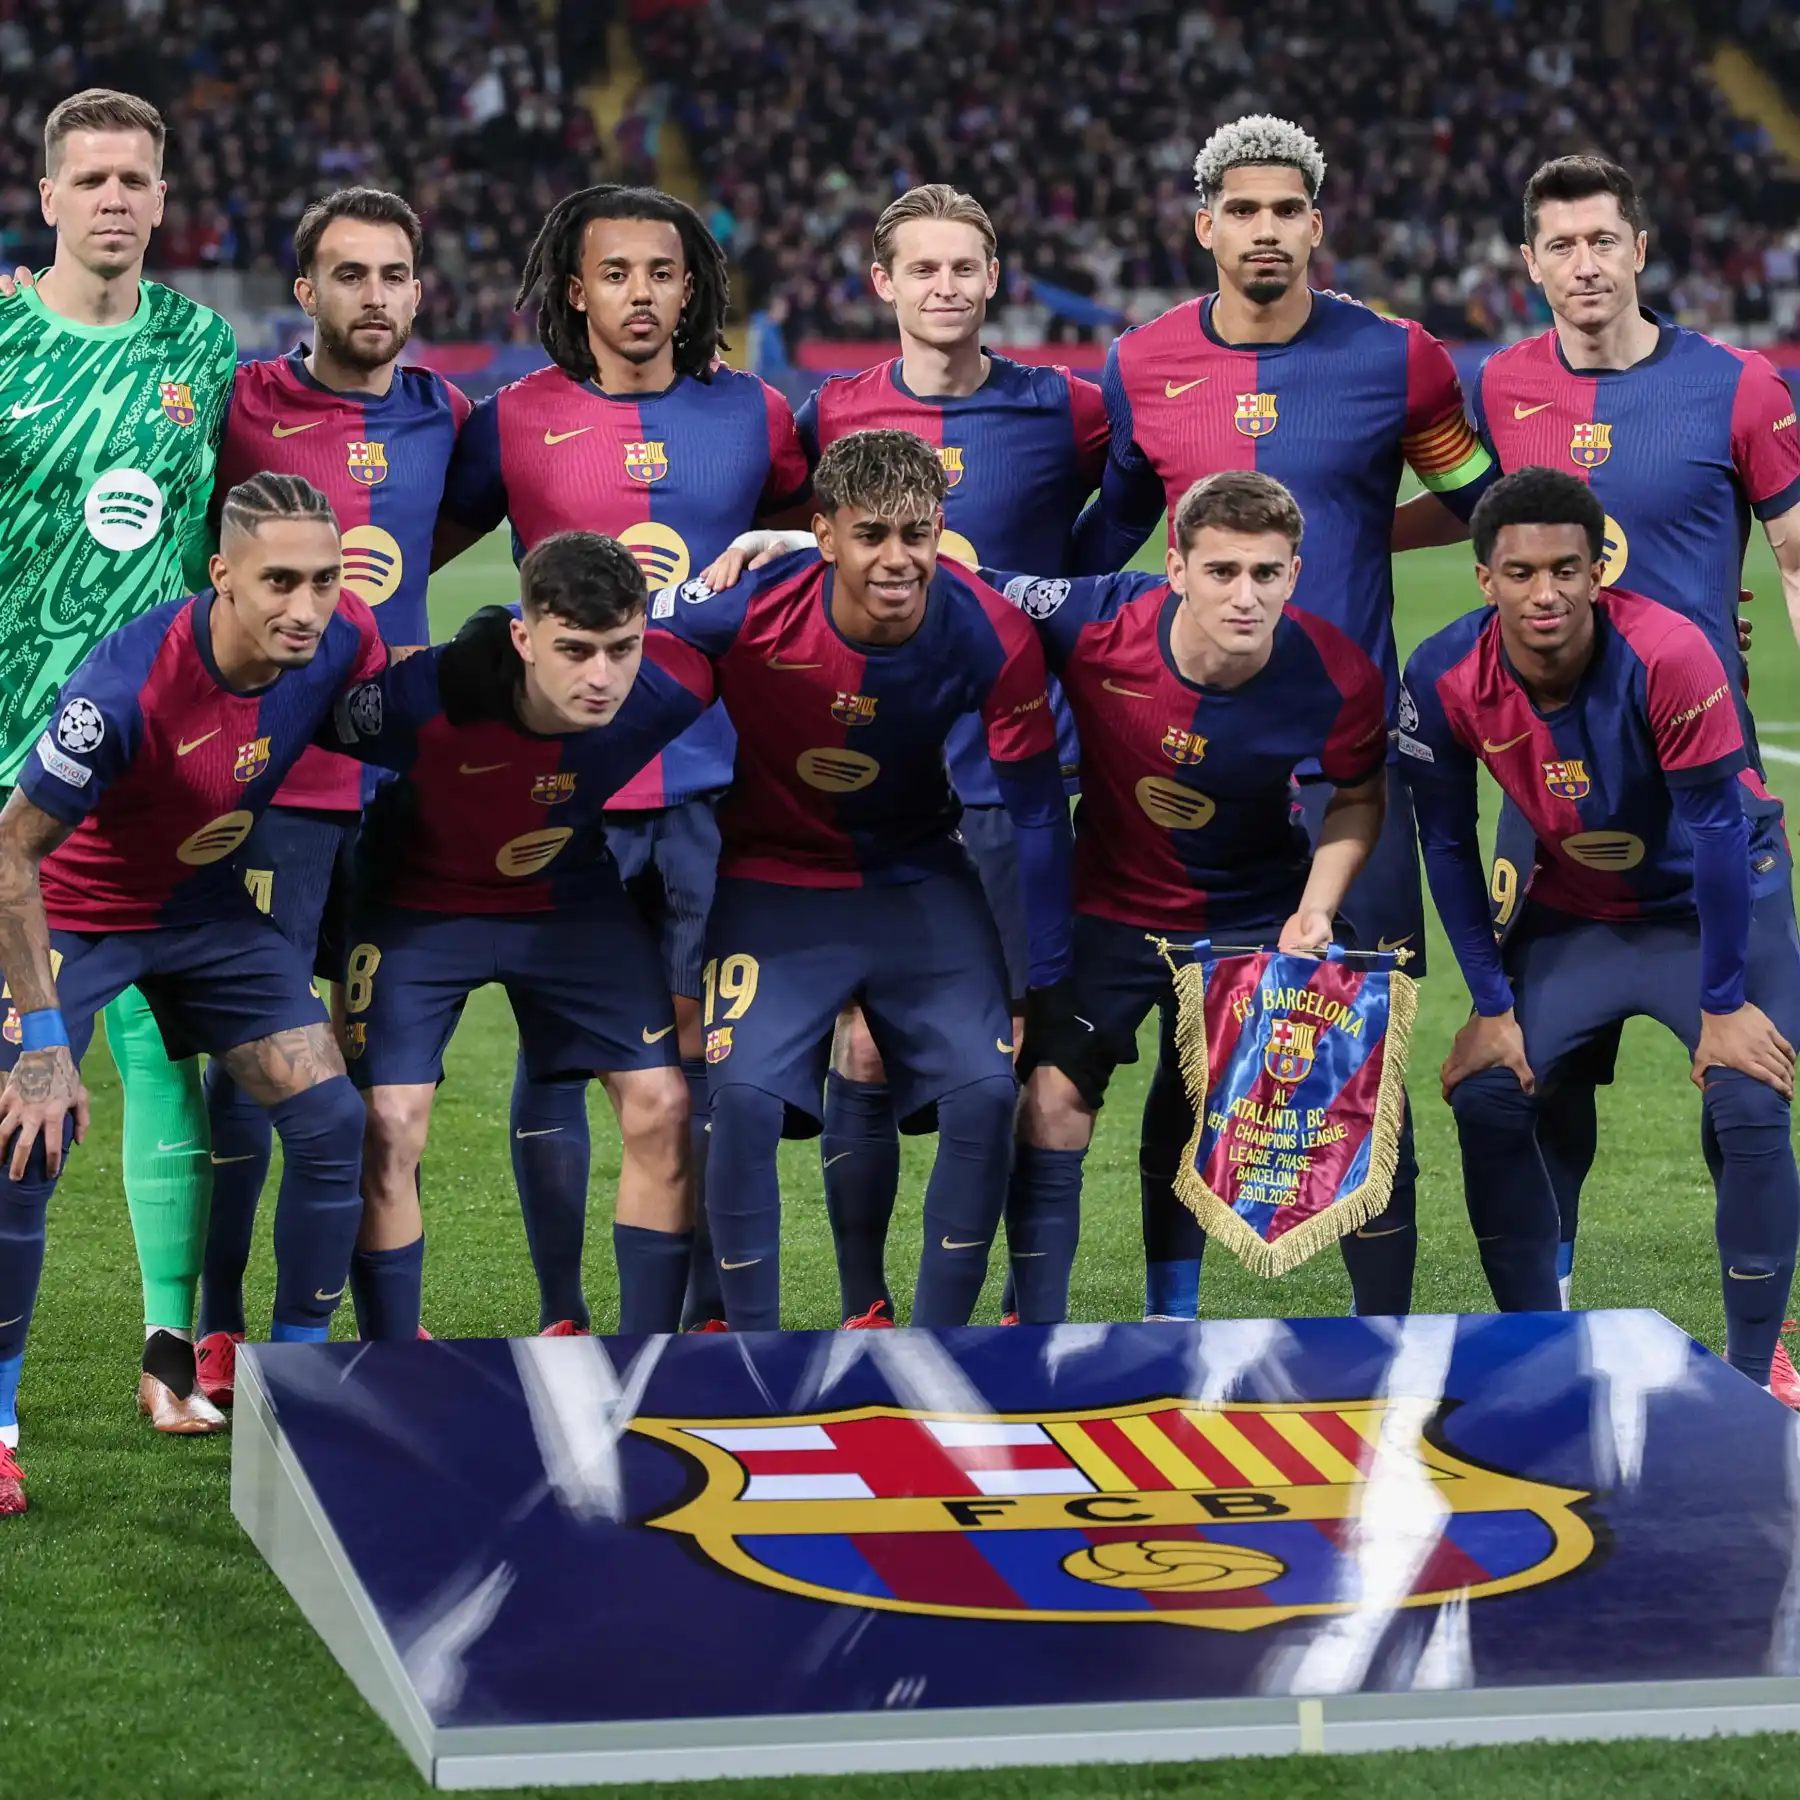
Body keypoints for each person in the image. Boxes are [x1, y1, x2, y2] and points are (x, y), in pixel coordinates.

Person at [1067, 113, 1500, 1317]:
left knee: (1363, 1051)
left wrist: (1365, 528)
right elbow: (1110, 534)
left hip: (1348, 766)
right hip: (1192, 764)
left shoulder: (1399, 359)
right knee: (1187, 1048)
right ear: (1204, 226)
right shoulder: (1141, 362)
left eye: (1287, 210)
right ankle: (1172, 1318)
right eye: (1243, 211)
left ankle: (1384, 1334)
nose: (1266, 229)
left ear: (1318, 225)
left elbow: (1486, 502)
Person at [724, 181, 1105, 1328]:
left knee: (1013, 1060)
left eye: (964, 267)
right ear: (883, 282)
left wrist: (1044, 596)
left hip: (1011, 780)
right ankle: (867, 1307)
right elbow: (802, 545)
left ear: (995, 278)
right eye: (922, 268)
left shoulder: (1068, 410)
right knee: (864, 1044)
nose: (945, 287)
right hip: (876, 784)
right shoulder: (829, 413)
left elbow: (1127, 519)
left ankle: (1008, 1311)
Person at [436, 184, 810, 1335]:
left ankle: (702, 1309)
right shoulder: (511, 418)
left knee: (703, 1044)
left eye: (660, 272)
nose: (639, 294)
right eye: (615, 273)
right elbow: (410, 546)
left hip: (714, 784)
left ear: (691, 288)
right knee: (555, 1049)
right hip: (563, 790)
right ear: (574, 289)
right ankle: (562, 1312)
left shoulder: (757, 414)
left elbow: (814, 544)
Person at [0, 474, 386, 1515]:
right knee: (22, 1142)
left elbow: (386, 714)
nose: (306, 606)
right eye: (279, 582)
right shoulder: (125, 690)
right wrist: (44, 1045)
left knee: (330, 1121)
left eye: (324, 579)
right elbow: (10, 853)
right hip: (78, 915)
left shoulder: (344, 636)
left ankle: (296, 1389)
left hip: (205, 912)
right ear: (222, 576)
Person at [654, 427, 1076, 1331]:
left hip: (919, 879)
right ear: (825, 535)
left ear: (940, 532)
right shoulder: (744, 606)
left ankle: (937, 1349)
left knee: (985, 1095)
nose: (896, 559)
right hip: (771, 883)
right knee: (740, 1104)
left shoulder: (991, 630)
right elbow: (612, 622)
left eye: (916, 535)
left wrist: (1042, 973)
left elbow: (1038, 812)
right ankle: (751, 1352)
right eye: (871, 535)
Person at [1471, 155, 1800, 1307]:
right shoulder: (1500, 383)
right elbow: (1465, 519)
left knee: (1748, 1085)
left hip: (1704, 789)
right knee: (1536, 1083)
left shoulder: (1739, 387)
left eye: (1603, 240)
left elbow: (1795, 560)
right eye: (1561, 245)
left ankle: (1761, 1348)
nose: (1585, 265)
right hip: (1548, 798)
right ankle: (1546, 1322)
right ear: (1530, 263)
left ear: (1641, 249)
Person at [1399, 466, 1800, 1401]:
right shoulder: (1442, 673)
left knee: (1750, 1096)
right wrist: (1491, 1006)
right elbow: (1447, 845)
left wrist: (1724, 1006)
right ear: (1485, 578)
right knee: (1490, 1092)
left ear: (1597, 573)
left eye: (1565, 570)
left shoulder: (1670, 653)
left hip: (1711, 909)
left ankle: (1753, 1374)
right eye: (1521, 572)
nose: (1545, 592)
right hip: (1575, 910)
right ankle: (1540, 1347)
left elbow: (1716, 836)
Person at [984, 471, 1394, 1321]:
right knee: (1052, 1104)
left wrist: (1317, 906)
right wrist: (797, 547)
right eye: (1221, 571)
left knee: (1324, 1104)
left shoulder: (1336, 674)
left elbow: (1359, 795)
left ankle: (1189, 1318)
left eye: (1267, 573)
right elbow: (956, 577)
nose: (1246, 596)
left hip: (1255, 912)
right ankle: (1033, 1326)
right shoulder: (1094, 618)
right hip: (1108, 905)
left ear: (1294, 573)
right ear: (1175, 568)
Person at [195, 186, 470, 1402]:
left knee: (377, 1064)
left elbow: (450, 530)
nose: (375, 295)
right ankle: (219, 1326)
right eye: (349, 274)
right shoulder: (242, 401)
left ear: (419, 289)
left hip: (396, 787)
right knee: (257, 1062)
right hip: (272, 784)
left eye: (394, 274)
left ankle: (372, 1339)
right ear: (304, 291)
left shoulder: (445, 413)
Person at [322, 532, 717, 1339]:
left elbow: (783, 597)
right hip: (416, 905)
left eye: (621, 648)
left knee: (662, 1104)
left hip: (566, 900)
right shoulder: (426, 698)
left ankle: (648, 1361)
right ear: (523, 636)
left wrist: (776, 538)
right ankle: (393, 1360)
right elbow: (290, 708)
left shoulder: (672, 686)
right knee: (388, 1122)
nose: (601, 676)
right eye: (574, 650)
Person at [0, 88, 237, 1432]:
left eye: (134, 179)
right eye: (88, 179)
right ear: (47, 199)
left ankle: (168, 1352)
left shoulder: (201, 345)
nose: (112, 199)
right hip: (9, 760)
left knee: (162, 1056)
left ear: (160, 198)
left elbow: (220, 550)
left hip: (155, 773)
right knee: (17, 1072)